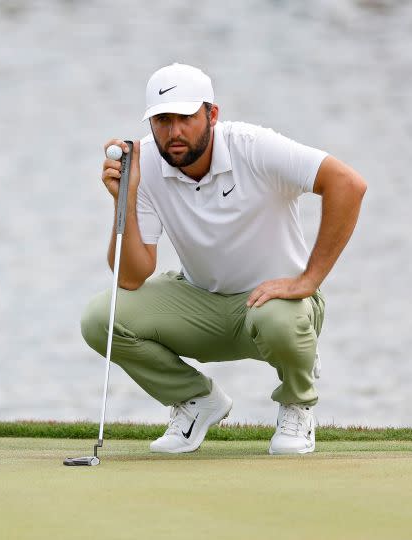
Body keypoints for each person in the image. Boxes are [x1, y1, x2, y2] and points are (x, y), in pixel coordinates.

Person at [80, 63, 367, 455]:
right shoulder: (142, 165)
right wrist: (124, 200)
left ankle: (297, 405)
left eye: (185, 118)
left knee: (279, 321)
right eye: (162, 120)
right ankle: (196, 400)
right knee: (101, 317)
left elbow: (348, 184)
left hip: (274, 306)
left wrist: (308, 280)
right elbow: (131, 277)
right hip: (200, 303)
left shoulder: (253, 146)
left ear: (212, 115)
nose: (173, 132)